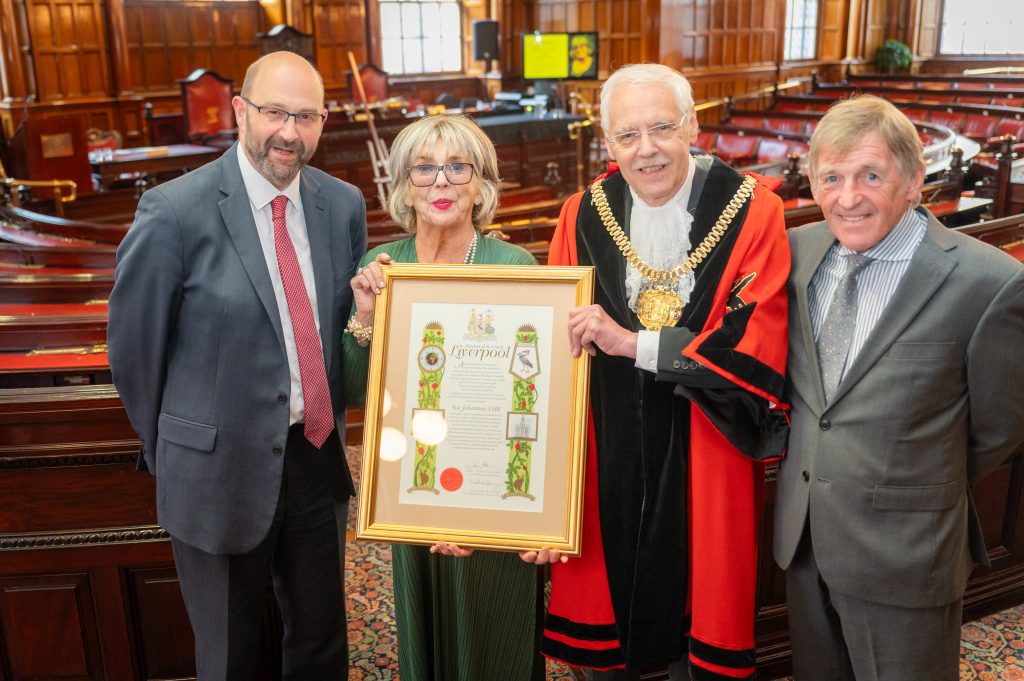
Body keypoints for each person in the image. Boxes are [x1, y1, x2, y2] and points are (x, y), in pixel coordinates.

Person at [522, 63, 790, 680]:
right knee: (606, 647)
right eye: (628, 135)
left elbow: (754, 338)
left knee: (698, 637)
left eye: (662, 128)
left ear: (692, 124)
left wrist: (633, 344)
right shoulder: (580, 214)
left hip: (707, 446)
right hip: (606, 447)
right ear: (607, 142)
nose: (646, 149)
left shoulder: (754, 210)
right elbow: (553, 358)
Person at [108, 51, 366, 679]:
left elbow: (342, 331)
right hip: (217, 470)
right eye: (274, 112)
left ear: (324, 122)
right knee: (229, 656)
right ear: (240, 111)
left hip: (316, 457)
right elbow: (134, 352)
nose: (289, 132)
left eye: (305, 116)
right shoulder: (173, 211)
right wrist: (181, 448)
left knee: (322, 645)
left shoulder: (343, 204)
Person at [773, 95, 1024, 680]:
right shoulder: (797, 253)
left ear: (914, 180)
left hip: (905, 555)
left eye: (870, 175)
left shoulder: (991, 282)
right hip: (805, 544)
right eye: (831, 178)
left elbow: (999, 426)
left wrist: (910, 478)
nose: (848, 197)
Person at [343, 114, 543, 681]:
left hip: (494, 488)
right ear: (404, 185)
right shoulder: (382, 267)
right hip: (413, 485)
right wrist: (364, 315)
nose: (441, 182)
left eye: (458, 167)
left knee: (494, 632)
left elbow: (532, 393)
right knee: (426, 630)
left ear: (481, 184)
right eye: (424, 168)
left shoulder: (514, 266)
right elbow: (355, 391)